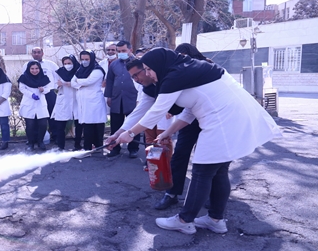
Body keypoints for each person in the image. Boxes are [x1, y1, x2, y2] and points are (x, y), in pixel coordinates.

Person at [113, 47, 281, 235]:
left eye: (148, 69)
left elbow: (157, 111)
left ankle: (185, 220)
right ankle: (215, 219)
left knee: (202, 171)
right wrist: (167, 132)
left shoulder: (175, 76)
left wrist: (130, 133)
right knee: (218, 171)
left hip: (222, 122)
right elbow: (189, 111)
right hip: (229, 119)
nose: (149, 74)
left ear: (158, 64)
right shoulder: (187, 71)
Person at [154, 44, 211, 210]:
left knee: (209, 159)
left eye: (182, 56)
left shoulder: (208, 68)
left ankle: (211, 195)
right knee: (180, 155)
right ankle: (172, 194)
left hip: (210, 120)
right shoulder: (182, 72)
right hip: (189, 119)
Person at [104, 40, 140, 158]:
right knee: (116, 124)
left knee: (134, 124)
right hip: (117, 99)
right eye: (119, 51)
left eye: (123, 51)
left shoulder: (138, 63)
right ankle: (115, 148)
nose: (121, 53)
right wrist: (109, 96)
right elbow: (109, 81)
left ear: (130, 49)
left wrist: (140, 99)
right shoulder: (114, 64)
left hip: (133, 98)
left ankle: (133, 148)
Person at [71, 50, 107, 153]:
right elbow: (73, 82)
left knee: (97, 125)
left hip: (94, 101)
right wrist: (80, 83)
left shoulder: (98, 70)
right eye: (82, 59)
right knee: (87, 125)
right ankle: (87, 147)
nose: (84, 61)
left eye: (87, 59)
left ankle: (98, 146)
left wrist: (79, 82)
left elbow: (89, 81)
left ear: (92, 58)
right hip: (83, 102)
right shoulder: (80, 69)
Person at [22, 47, 60, 142]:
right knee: (34, 117)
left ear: (42, 53)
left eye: (39, 52)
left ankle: (55, 136)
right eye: (34, 52)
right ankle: (33, 139)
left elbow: (58, 77)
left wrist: (53, 87)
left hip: (49, 92)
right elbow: (24, 79)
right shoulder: (26, 65)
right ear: (32, 54)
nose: (36, 54)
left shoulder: (50, 64)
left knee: (52, 115)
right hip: (34, 94)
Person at [19, 61, 52, 151]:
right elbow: (22, 88)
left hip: (40, 102)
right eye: (32, 68)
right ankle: (30, 143)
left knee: (43, 124)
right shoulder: (24, 77)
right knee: (30, 125)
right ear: (29, 69)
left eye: (36, 68)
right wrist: (31, 94)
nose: (34, 70)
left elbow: (48, 88)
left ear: (40, 69)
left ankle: (40, 141)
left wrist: (43, 90)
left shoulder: (44, 78)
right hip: (29, 102)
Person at [52, 55, 82, 151]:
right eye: (65, 63)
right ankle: (61, 146)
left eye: (69, 63)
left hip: (77, 100)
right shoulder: (59, 72)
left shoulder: (79, 71)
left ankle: (77, 145)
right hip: (63, 100)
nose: (67, 65)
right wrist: (60, 85)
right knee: (60, 125)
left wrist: (67, 83)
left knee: (79, 124)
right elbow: (55, 84)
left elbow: (80, 84)